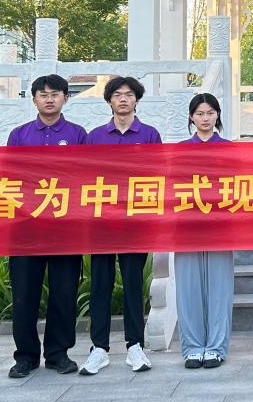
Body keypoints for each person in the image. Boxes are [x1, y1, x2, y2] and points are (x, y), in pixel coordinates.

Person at [6, 75, 89, 378]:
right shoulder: (19, 135)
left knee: (64, 292)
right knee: (24, 295)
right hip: (26, 227)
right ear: (34, 100)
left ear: (66, 97)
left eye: (55, 94)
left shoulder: (77, 134)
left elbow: (85, 176)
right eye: (43, 95)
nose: (49, 99)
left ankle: (58, 354)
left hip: (65, 227)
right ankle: (26, 356)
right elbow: (10, 177)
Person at [80, 76, 161, 376]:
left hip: (135, 221)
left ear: (136, 100)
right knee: (100, 284)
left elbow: (157, 175)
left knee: (132, 283)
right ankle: (99, 348)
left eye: (128, 94)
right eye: (117, 95)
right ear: (109, 100)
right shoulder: (95, 136)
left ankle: (134, 345)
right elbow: (85, 176)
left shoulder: (149, 134)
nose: (123, 99)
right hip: (102, 221)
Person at [175, 93, 234, 370]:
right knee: (188, 290)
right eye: (199, 113)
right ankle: (192, 347)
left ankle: (216, 347)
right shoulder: (179, 151)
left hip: (220, 228)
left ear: (217, 115)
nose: (205, 118)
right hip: (187, 228)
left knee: (220, 289)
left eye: (210, 113)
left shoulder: (229, 149)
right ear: (191, 117)